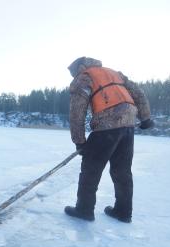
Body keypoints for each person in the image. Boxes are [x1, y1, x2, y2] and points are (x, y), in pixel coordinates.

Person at [64, 57, 154, 223]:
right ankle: (123, 212)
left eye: (73, 73)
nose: (73, 76)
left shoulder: (84, 77)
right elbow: (138, 93)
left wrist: (79, 141)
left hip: (106, 126)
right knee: (122, 171)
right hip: (128, 125)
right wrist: (146, 118)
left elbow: (77, 112)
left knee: (90, 170)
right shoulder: (114, 73)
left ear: (79, 67)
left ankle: (84, 210)